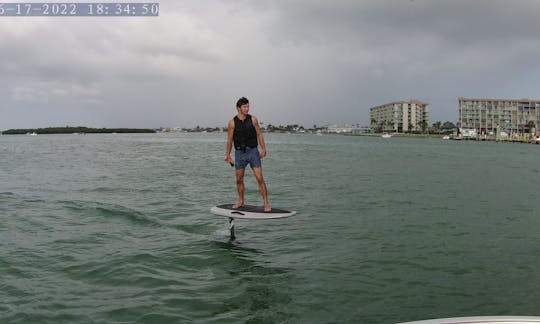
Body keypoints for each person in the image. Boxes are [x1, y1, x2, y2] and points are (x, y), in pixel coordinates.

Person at [225, 97, 271, 212]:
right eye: (245, 106)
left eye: (248, 106)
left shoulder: (253, 120)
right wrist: (228, 155)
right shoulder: (232, 123)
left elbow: (259, 134)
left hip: (253, 152)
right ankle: (241, 201)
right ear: (238, 108)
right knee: (239, 179)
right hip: (240, 153)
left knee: (259, 177)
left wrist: (264, 149)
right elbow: (229, 140)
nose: (247, 108)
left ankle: (266, 203)